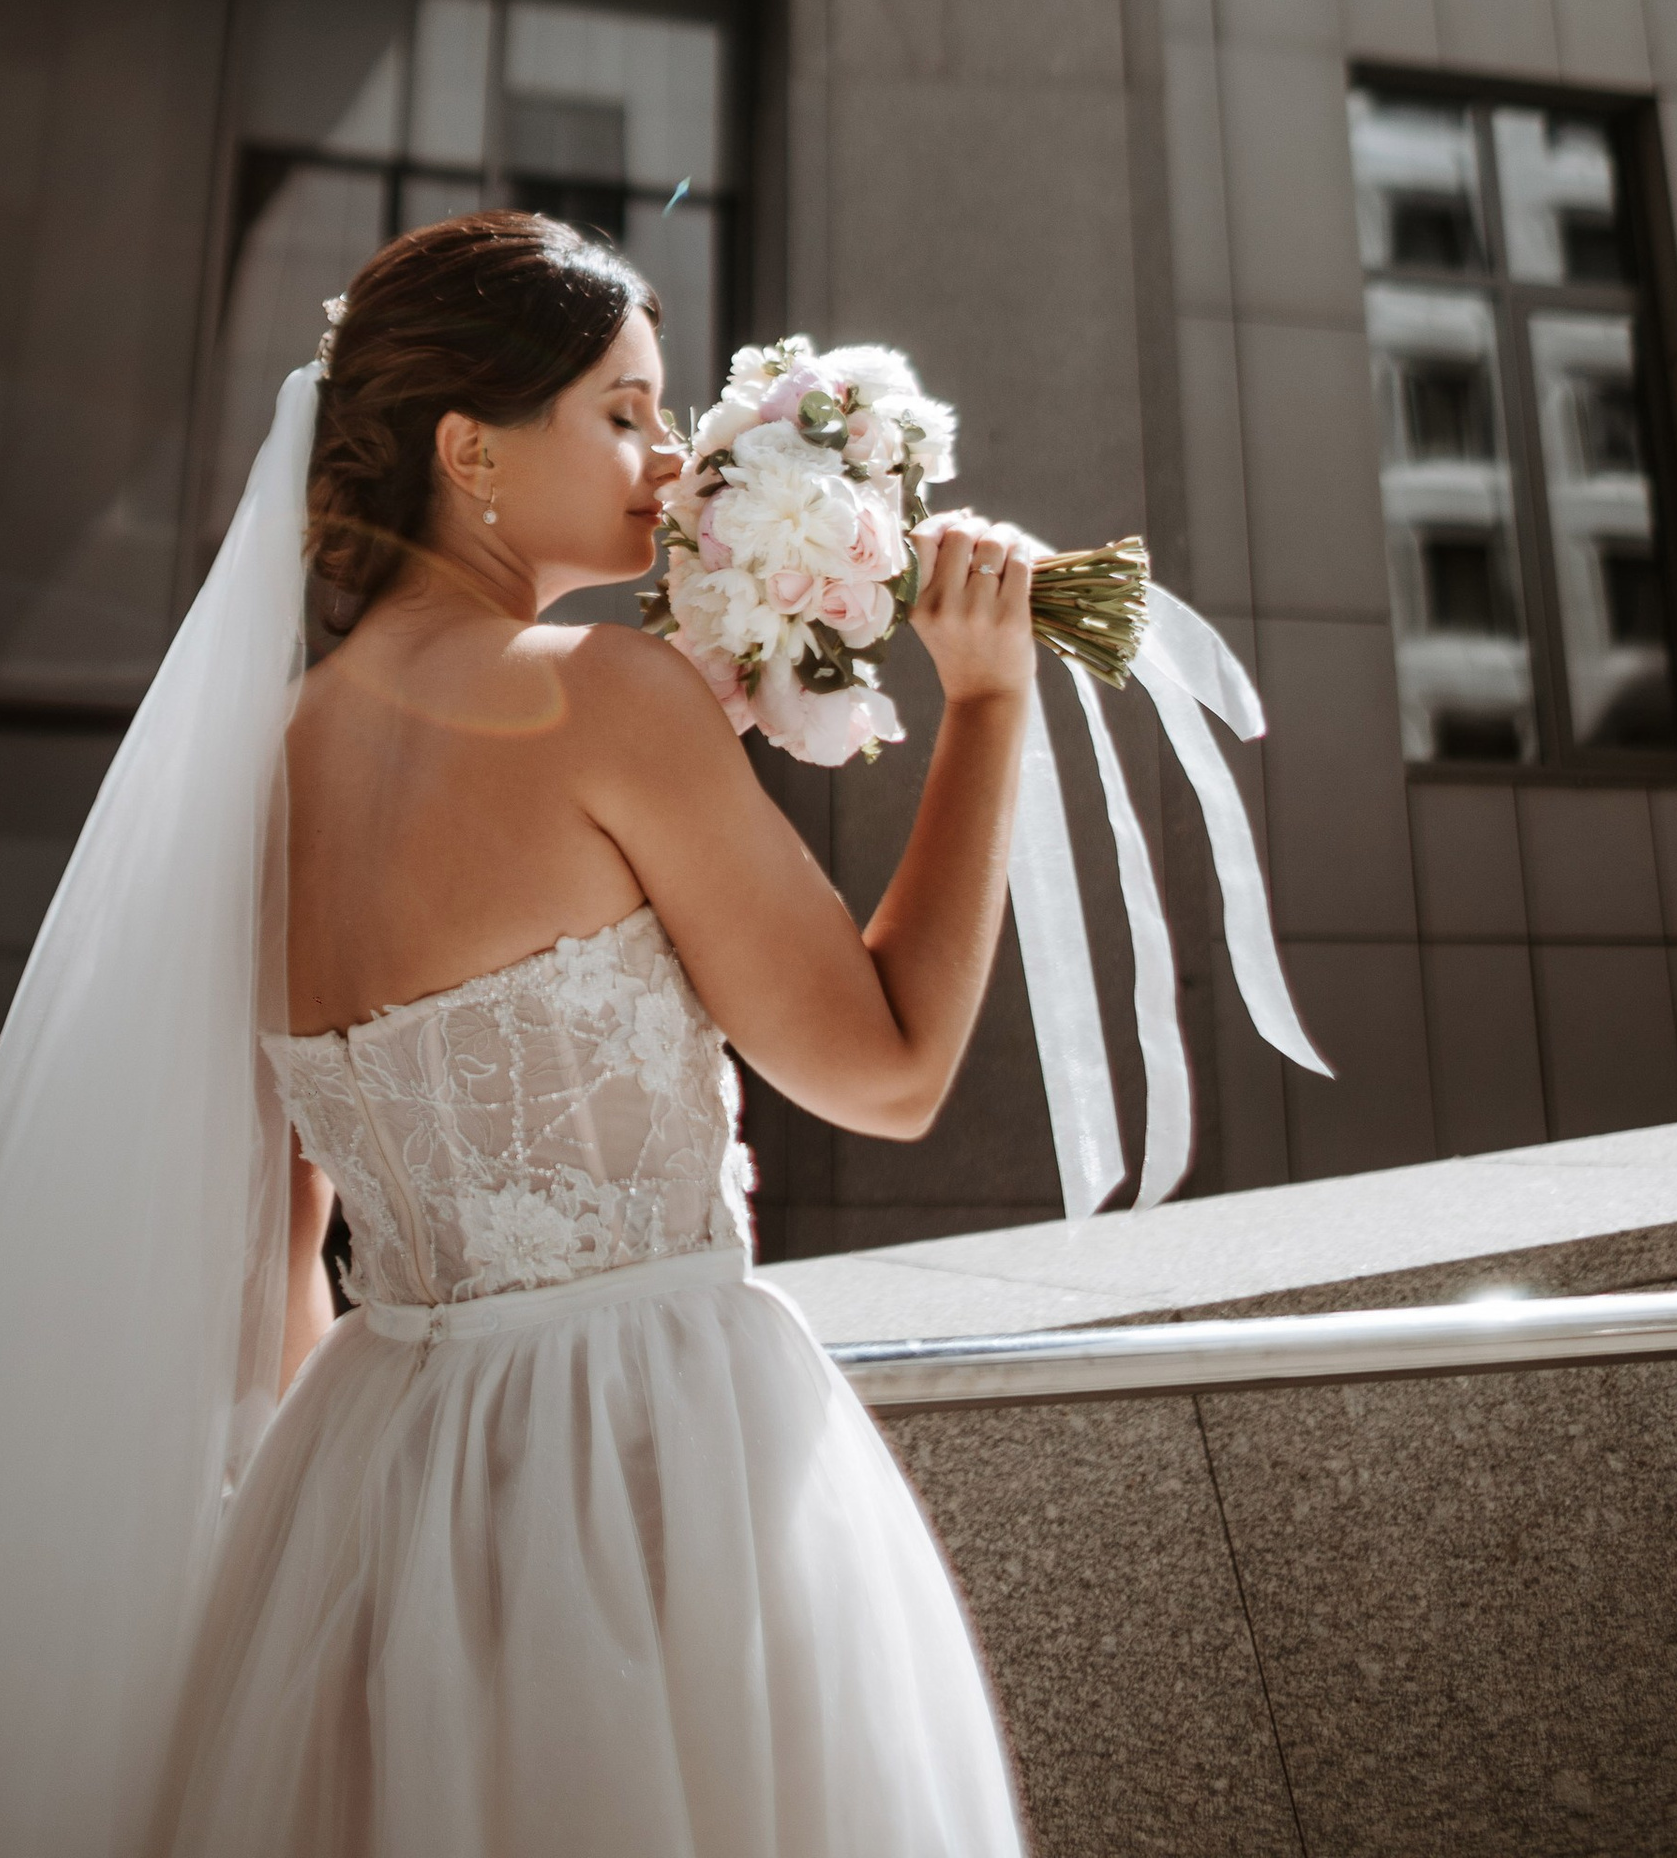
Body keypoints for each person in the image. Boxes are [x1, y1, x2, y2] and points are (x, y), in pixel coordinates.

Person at [133, 208, 1037, 1853]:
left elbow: (281, 1244)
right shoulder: (604, 695)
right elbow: (891, 1075)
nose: (670, 453)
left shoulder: (259, 769)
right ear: (469, 447)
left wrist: (333, 1543)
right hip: (644, 1454)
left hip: (366, 1483)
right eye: (622, 409)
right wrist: (985, 702)